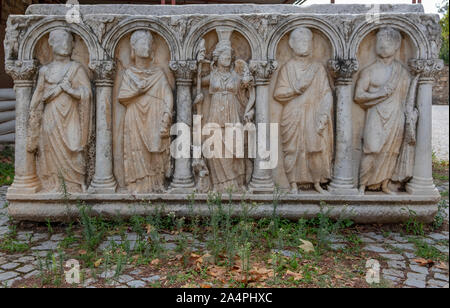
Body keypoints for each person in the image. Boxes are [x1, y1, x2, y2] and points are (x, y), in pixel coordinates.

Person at [28, 29, 92, 193]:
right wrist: (32, 114)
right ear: (51, 44)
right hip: (51, 117)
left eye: (68, 42)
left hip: (71, 116)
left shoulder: (76, 68)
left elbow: (86, 93)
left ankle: (75, 185)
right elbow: (38, 94)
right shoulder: (45, 71)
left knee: (74, 148)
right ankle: (53, 186)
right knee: (49, 152)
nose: (65, 45)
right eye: (60, 41)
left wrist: (70, 91)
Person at [274, 27, 333, 194]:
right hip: (292, 114)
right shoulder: (288, 67)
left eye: (307, 41)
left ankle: (316, 183)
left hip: (313, 114)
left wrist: (323, 114)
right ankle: (292, 184)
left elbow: (326, 93)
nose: (304, 45)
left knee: (315, 151)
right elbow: (278, 93)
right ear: (292, 45)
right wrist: (295, 90)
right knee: (291, 150)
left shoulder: (318, 68)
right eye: (300, 41)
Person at [118, 30, 173, 193]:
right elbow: (122, 97)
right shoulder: (129, 73)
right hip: (135, 117)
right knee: (136, 151)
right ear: (133, 48)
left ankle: (156, 186)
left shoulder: (158, 74)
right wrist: (137, 92)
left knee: (156, 152)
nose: (146, 46)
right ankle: (138, 186)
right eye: (142, 43)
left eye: (149, 43)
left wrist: (166, 115)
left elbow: (168, 96)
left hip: (155, 116)